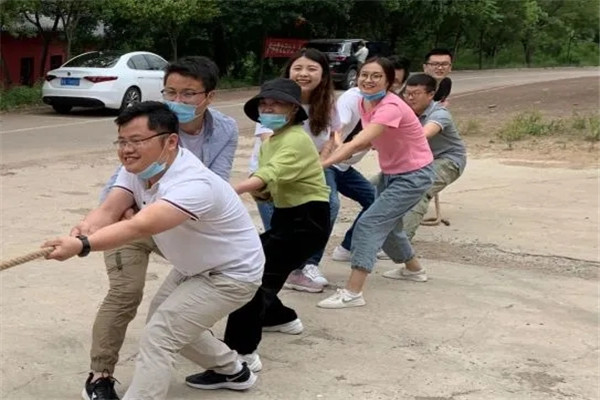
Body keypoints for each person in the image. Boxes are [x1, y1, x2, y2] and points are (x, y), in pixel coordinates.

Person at [43, 101, 264, 400]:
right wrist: (85, 229)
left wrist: (82, 246)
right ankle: (233, 371)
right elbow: (110, 209)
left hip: (231, 274)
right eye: (122, 141)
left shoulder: (193, 183)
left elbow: (139, 226)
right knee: (168, 323)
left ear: (170, 141)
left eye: (136, 141)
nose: (127, 150)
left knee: (160, 334)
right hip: (194, 268)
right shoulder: (138, 169)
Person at [83, 56, 238, 400]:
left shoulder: (224, 129)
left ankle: (230, 364)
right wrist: (90, 230)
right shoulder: (149, 125)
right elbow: (120, 186)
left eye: (188, 94)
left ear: (209, 97)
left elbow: (218, 181)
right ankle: (100, 375)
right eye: (170, 92)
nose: (177, 101)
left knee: (178, 310)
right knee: (125, 295)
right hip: (132, 221)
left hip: (182, 224)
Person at [186, 78, 329, 377]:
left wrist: (228, 192)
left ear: (293, 110)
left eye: (276, 104)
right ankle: (280, 317)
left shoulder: (297, 139)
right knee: (257, 268)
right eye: (264, 104)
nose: (268, 109)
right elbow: (266, 184)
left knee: (251, 279)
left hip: (307, 219)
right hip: (287, 217)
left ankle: (242, 354)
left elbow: (269, 174)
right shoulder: (272, 141)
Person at [317, 57, 434, 309]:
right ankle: (414, 270)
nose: (368, 80)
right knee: (389, 226)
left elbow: (361, 140)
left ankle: (353, 292)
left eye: (376, 76)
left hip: (414, 175)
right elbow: (366, 139)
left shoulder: (391, 106)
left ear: (390, 82)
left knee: (369, 223)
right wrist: (340, 149)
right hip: (392, 173)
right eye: (364, 74)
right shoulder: (364, 101)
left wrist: (322, 165)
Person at [248, 48, 340, 293]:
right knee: (277, 232)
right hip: (273, 173)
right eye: (298, 68)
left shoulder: (327, 104)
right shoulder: (272, 104)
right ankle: (282, 275)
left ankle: (306, 265)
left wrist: (318, 164)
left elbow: (333, 135)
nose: (303, 73)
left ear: (323, 74)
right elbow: (270, 144)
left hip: (308, 169)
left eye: (311, 69)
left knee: (328, 206)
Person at [398, 73, 466, 241]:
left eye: (416, 93)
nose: (410, 98)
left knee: (419, 189)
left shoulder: (439, 113)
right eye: (407, 93)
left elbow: (423, 134)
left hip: (448, 160)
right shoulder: (403, 111)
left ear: (430, 95)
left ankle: (401, 243)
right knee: (374, 187)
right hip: (417, 161)